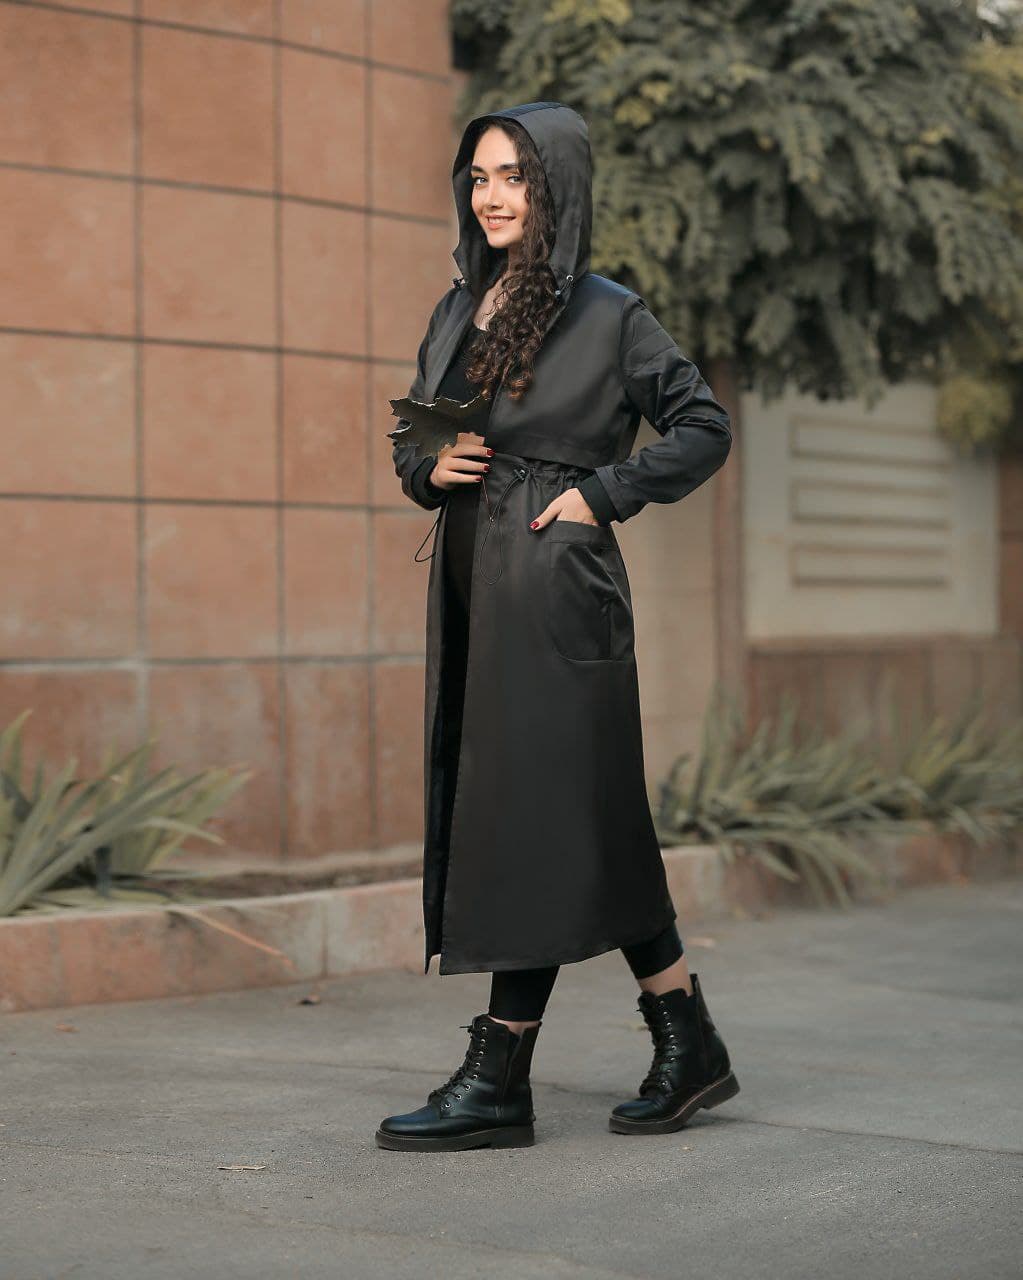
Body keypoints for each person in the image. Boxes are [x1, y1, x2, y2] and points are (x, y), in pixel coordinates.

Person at [378, 101, 738, 1152]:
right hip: (471, 583)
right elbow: (416, 443)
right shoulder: (458, 308)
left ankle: (499, 1072)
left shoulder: (610, 313)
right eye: (479, 175)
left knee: (529, 812)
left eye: (515, 176)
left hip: (556, 585)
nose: (491, 195)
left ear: (556, 189)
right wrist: (428, 467)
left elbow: (702, 425)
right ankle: (688, 1040)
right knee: (588, 818)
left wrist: (601, 494)